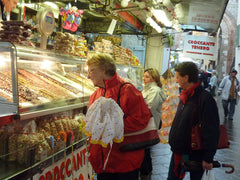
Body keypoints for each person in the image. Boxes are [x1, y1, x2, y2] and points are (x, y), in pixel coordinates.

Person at [86, 53, 152, 180]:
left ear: (104, 70)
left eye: (92, 71)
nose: (88, 76)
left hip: (124, 163)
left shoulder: (128, 90)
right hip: (103, 163)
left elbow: (141, 120)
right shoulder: (95, 94)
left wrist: (111, 127)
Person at [167, 62, 220, 180]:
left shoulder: (205, 99)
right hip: (179, 151)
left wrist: (208, 158)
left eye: (177, 77)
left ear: (186, 78)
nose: (176, 80)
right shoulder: (185, 96)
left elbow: (211, 130)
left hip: (196, 155)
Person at [140, 68, 167, 180]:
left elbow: (149, 108)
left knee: (145, 152)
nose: (144, 78)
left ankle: (146, 175)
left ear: (154, 78)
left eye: (147, 76)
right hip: (145, 125)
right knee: (144, 152)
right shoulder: (146, 89)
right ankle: (145, 174)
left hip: (148, 125)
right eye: (144, 76)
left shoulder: (154, 90)